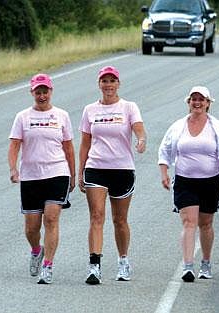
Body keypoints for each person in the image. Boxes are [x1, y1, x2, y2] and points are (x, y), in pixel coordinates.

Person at [158, 86, 219, 282]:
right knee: (188, 222)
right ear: (189, 102)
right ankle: (188, 266)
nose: (197, 103)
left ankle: (206, 262)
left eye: (202, 100)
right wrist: (164, 172)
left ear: (208, 104)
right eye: (194, 99)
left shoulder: (216, 126)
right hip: (185, 181)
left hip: (210, 181)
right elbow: (165, 149)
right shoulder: (178, 126)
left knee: (206, 223)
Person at [78, 65, 146, 285]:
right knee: (97, 216)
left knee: (119, 220)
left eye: (112, 81)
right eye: (104, 81)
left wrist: (141, 139)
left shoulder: (128, 107)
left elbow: (138, 127)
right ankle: (94, 266)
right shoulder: (90, 110)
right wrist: (80, 171)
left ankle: (123, 260)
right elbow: (85, 143)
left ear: (118, 83)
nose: (108, 85)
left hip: (122, 168)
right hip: (96, 167)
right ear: (99, 84)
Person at [8, 73, 76, 284]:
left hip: (57, 173)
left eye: (45, 91)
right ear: (32, 93)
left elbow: (68, 147)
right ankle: (37, 250)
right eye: (38, 92)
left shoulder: (61, 115)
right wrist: (13, 169)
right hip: (30, 176)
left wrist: (73, 175)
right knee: (31, 227)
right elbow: (15, 145)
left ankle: (48, 266)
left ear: (51, 92)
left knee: (51, 219)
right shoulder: (23, 117)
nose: (42, 95)